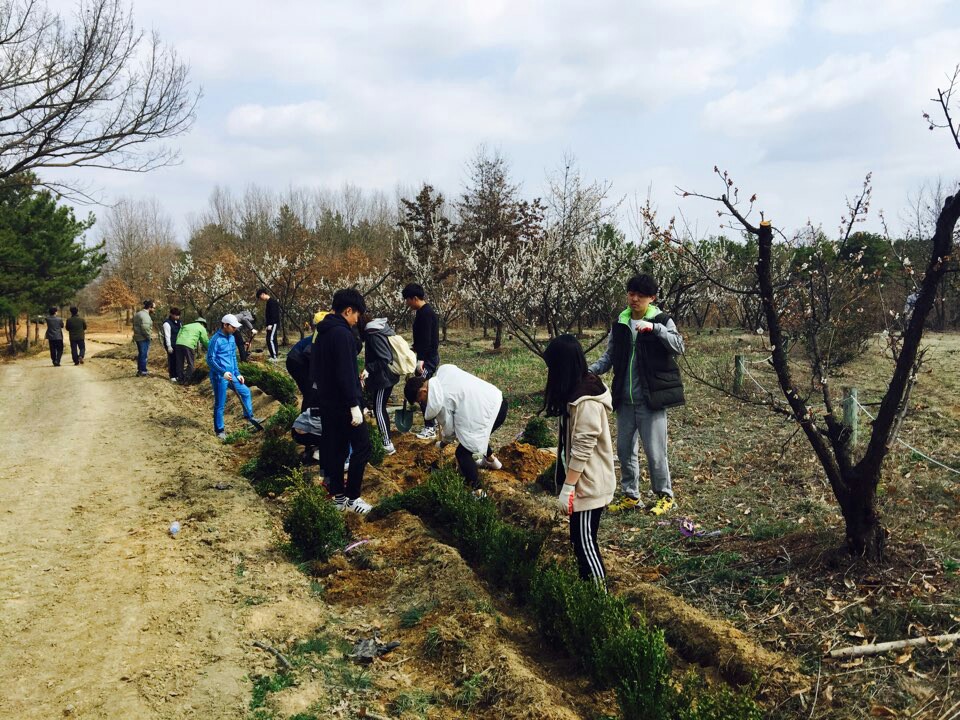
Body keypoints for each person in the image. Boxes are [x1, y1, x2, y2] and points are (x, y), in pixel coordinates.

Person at [588, 274, 685, 516]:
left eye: (640, 295)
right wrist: (590, 370)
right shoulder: (621, 322)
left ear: (652, 298)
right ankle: (631, 496)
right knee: (624, 451)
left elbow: (678, 346)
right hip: (624, 398)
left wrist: (656, 329)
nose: (634, 299)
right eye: (631, 294)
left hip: (651, 398)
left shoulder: (661, 320)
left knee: (655, 452)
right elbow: (610, 356)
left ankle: (665, 496)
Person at [543, 335, 616, 585]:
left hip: (589, 483)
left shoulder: (586, 401)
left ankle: (599, 597)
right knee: (578, 540)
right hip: (582, 483)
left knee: (585, 544)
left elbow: (584, 447)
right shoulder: (575, 392)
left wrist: (569, 486)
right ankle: (589, 590)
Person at [312, 289, 372, 514]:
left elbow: (317, 369)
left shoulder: (322, 332)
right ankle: (353, 498)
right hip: (344, 404)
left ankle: (338, 497)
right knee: (362, 447)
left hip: (328, 402)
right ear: (348, 310)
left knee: (336, 449)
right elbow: (345, 373)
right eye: (357, 314)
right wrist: (355, 404)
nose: (357, 320)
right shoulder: (342, 334)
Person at [403, 365, 507, 496]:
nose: (422, 404)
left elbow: (450, 432)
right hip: (497, 399)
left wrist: (442, 443)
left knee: (462, 453)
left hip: (490, 413)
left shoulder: (441, 400)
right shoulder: (444, 372)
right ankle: (492, 461)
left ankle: (478, 493)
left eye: (420, 401)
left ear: (422, 391)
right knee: (474, 433)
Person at [206, 314, 264, 440]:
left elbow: (233, 357)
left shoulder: (232, 338)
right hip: (220, 376)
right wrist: (222, 372)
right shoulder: (216, 340)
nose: (235, 329)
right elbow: (210, 360)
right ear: (225, 325)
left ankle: (249, 418)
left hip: (232, 374)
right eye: (233, 327)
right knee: (220, 404)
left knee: (246, 392)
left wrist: (238, 373)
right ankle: (219, 430)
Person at [402, 283, 440, 439]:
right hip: (425, 357)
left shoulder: (426, 314)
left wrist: (421, 360)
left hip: (428, 359)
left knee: (422, 390)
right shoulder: (422, 312)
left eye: (408, 300)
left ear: (415, 298)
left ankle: (430, 427)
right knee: (424, 389)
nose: (407, 303)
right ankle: (433, 423)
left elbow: (427, 340)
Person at [361, 313, 400, 456]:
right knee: (380, 408)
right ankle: (386, 441)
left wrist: (368, 369)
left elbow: (385, 358)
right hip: (384, 376)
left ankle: (387, 444)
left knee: (378, 409)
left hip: (383, 378)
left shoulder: (373, 334)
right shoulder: (377, 329)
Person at [174, 317, 209, 384]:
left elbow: (178, 335)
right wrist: (210, 348)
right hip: (189, 345)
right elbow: (205, 340)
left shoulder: (186, 325)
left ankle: (180, 379)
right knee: (190, 363)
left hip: (178, 343)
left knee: (179, 362)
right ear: (203, 324)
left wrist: (178, 342)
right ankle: (187, 380)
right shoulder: (202, 328)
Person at [285, 333, 315, 410]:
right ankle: (305, 415)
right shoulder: (323, 335)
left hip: (297, 359)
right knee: (310, 392)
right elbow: (308, 352)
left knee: (311, 391)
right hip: (297, 361)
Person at [132, 299, 155, 376]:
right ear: (150, 307)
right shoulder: (145, 316)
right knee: (144, 354)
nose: (154, 310)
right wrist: (149, 336)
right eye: (153, 308)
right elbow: (145, 328)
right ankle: (143, 371)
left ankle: (140, 370)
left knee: (141, 354)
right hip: (143, 338)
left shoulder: (138, 314)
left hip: (138, 337)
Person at [257, 288, 281, 362]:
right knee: (271, 339)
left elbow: (274, 314)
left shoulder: (272, 302)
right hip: (270, 325)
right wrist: (267, 325)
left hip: (273, 324)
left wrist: (271, 324)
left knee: (270, 339)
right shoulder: (268, 302)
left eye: (260, 297)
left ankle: (274, 357)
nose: (261, 299)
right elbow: (268, 315)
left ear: (263, 294)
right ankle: (274, 355)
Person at [160, 307, 182, 382]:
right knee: (172, 359)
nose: (177, 317)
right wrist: (169, 346)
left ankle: (178, 374)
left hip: (178, 343)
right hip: (170, 343)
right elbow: (167, 335)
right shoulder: (167, 323)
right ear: (171, 314)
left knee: (178, 359)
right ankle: (172, 375)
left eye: (178, 315)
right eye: (176, 315)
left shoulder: (179, 322)